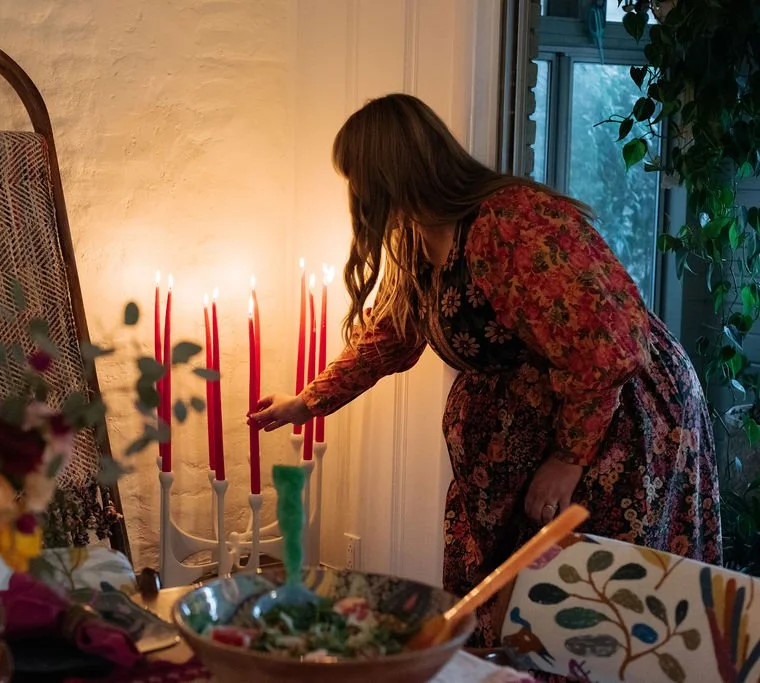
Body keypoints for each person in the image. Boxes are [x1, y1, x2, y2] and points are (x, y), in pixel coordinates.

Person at [249, 93, 721, 648]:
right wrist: (309, 401)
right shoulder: (419, 234)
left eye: (360, 179)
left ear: (390, 172)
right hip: (528, 438)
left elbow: (605, 344)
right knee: (511, 610)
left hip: (614, 424)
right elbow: (395, 332)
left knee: (592, 611)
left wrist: (568, 460)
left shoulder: (510, 221)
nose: (357, 196)